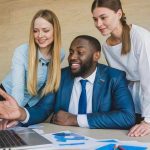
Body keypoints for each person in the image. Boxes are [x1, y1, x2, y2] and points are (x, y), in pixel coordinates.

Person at [0, 35, 135, 130]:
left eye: (80, 52)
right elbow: (42, 109)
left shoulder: (114, 77)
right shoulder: (60, 76)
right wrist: (21, 113)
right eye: (71, 52)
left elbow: (127, 117)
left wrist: (75, 119)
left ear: (96, 55)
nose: (72, 57)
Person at [91, 0, 150, 136]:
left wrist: (148, 120)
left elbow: (148, 79)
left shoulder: (140, 37)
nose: (98, 24)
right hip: (132, 105)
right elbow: (119, 81)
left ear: (119, 14)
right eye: (95, 19)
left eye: (103, 17)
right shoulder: (106, 46)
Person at [0, 9, 65, 107]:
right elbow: (17, 89)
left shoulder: (60, 54)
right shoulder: (21, 51)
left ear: (55, 31)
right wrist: (14, 112)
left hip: (30, 103)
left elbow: (45, 85)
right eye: (35, 31)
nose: (40, 35)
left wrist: (31, 110)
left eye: (45, 30)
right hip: (7, 97)